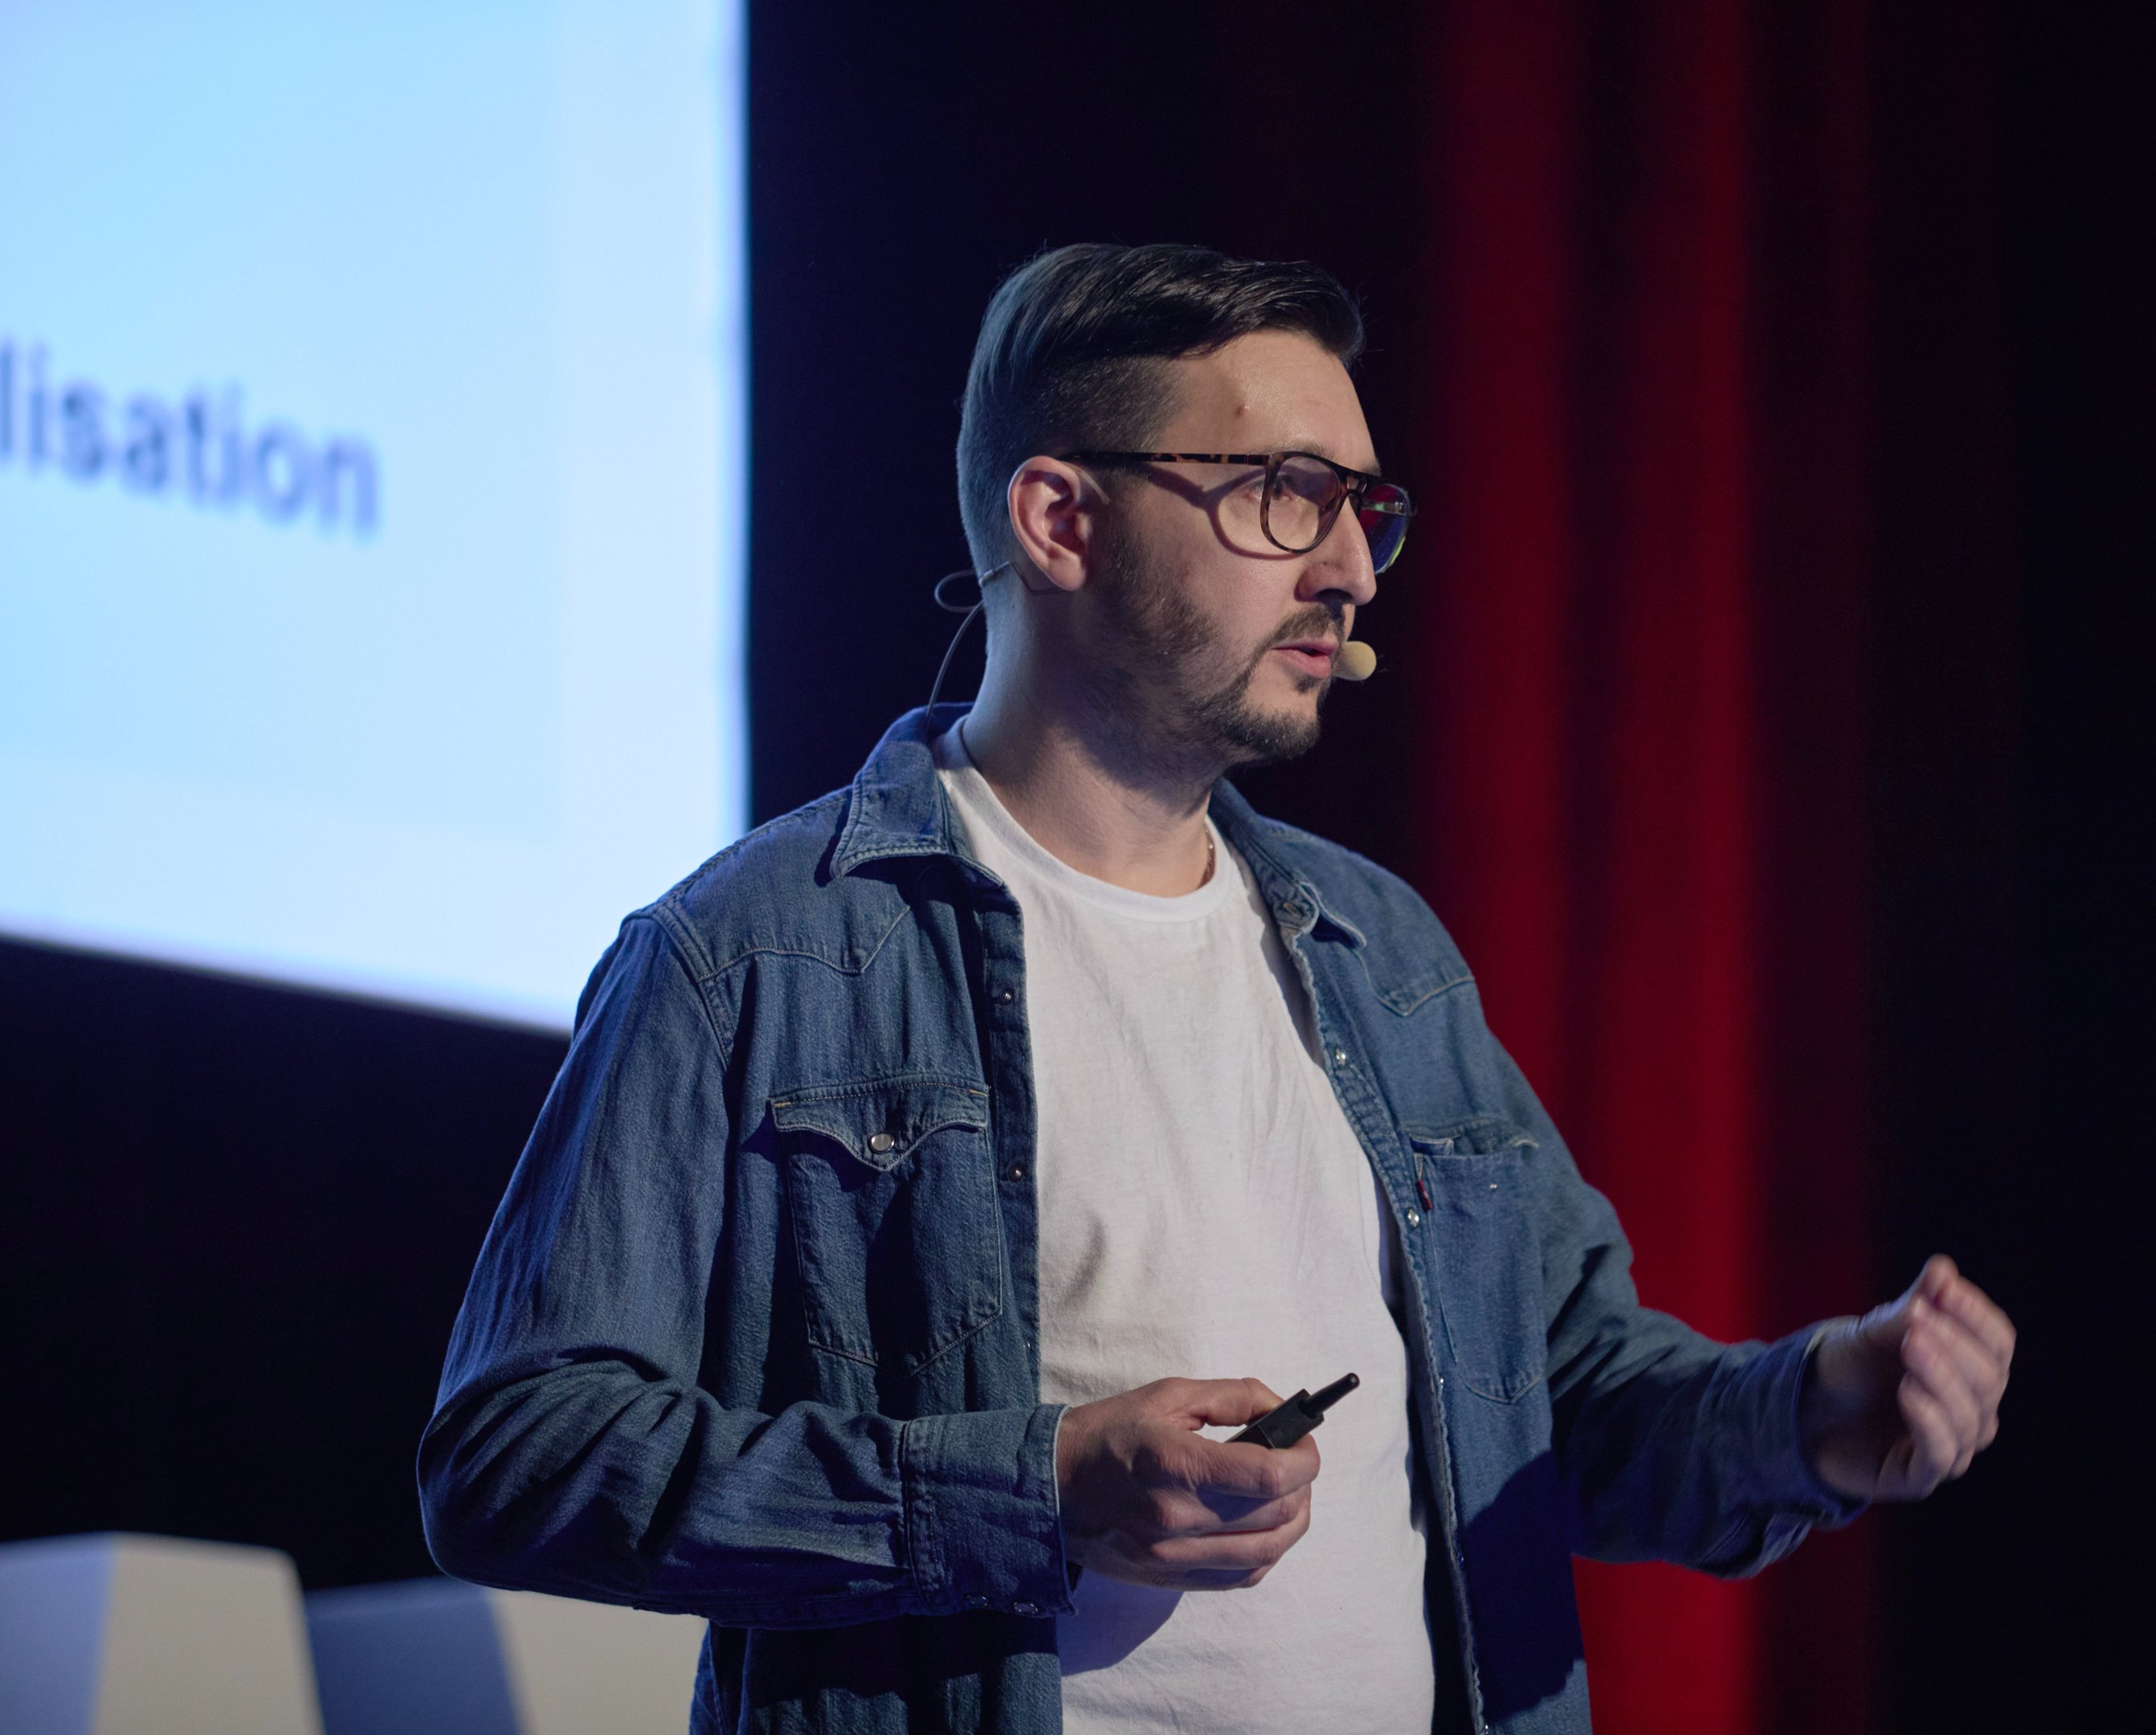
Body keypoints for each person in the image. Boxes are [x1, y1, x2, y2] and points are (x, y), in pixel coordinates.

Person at [419, 242, 2015, 1735]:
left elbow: (1568, 1404)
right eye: (1285, 496)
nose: (1352, 571)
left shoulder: (1383, 956)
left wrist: (1818, 1410)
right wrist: (1035, 1488)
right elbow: (518, 1456)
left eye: (1365, 510)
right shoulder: (753, 953)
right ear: (1062, 521)